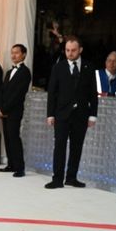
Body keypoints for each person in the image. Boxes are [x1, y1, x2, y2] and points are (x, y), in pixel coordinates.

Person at [45, 36, 98, 189]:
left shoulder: (89, 67)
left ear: (80, 50)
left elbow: (92, 94)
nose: (70, 53)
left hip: (81, 115)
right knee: (59, 146)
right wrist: (50, 114)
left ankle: (71, 178)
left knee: (77, 147)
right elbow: (52, 93)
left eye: (73, 50)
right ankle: (57, 179)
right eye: (67, 50)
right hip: (61, 114)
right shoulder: (58, 67)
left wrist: (93, 115)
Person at [0, 44, 32, 177]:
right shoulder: (8, 72)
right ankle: (11, 164)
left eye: (16, 53)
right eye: (12, 53)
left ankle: (19, 167)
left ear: (23, 54)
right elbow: (2, 91)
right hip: (4, 110)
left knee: (14, 137)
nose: (13, 55)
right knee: (7, 137)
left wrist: (5, 108)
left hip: (15, 110)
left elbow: (18, 94)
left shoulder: (25, 72)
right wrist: (0, 107)